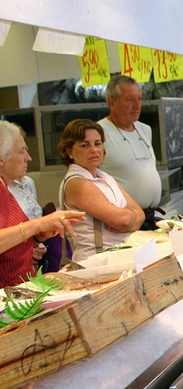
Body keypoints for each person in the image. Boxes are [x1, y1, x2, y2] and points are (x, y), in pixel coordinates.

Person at [0, 120, 84, 287]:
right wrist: (39, 224)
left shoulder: (5, 187)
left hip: (25, 287)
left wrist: (39, 236)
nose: (28, 158)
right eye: (21, 152)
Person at [58, 119, 145, 262]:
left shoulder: (105, 177)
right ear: (69, 152)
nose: (94, 150)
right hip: (97, 262)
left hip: (119, 257)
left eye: (97, 144)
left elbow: (140, 214)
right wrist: (128, 216)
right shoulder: (76, 182)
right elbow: (125, 220)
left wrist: (128, 218)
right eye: (84, 145)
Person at [97, 74, 162, 225]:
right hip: (124, 220)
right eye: (130, 100)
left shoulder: (145, 129)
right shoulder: (98, 132)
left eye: (139, 99)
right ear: (112, 103)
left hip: (151, 215)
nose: (137, 105)